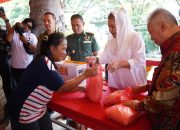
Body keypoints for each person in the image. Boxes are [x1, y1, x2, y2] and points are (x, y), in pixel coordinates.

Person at [7, 32, 97, 130]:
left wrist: (78, 88)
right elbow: (62, 87)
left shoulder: (45, 60)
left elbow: (55, 84)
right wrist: (85, 75)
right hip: (24, 111)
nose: (65, 52)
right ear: (52, 48)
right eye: (63, 49)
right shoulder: (45, 63)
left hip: (39, 108)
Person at [123, 8, 180, 130]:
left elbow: (169, 95)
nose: (151, 38)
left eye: (150, 32)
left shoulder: (177, 50)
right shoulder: (171, 46)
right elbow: (169, 81)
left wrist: (139, 105)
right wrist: (146, 87)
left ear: (163, 26)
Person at [87, 8, 147, 89]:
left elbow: (140, 60)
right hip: (116, 87)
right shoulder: (111, 41)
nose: (110, 30)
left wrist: (119, 64)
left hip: (135, 88)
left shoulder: (135, 37)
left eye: (113, 26)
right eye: (109, 27)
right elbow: (105, 57)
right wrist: (95, 60)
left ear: (122, 24)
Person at [6, 18, 37, 88]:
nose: (26, 27)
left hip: (28, 67)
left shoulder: (32, 36)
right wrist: (14, 26)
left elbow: (34, 50)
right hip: (15, 67)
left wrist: (26, 42)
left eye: (29, 27)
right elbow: (8, 39)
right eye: (25, 24)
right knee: (17, 88)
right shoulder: (14, 34)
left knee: (28, 88)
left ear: (30, 29)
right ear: (22, 23)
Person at [0, 9, 12, 98]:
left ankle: (11, 105)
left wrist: (5, 19)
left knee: (8, 84)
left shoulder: (3, 28)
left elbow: (10, 35)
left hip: (4, 58)